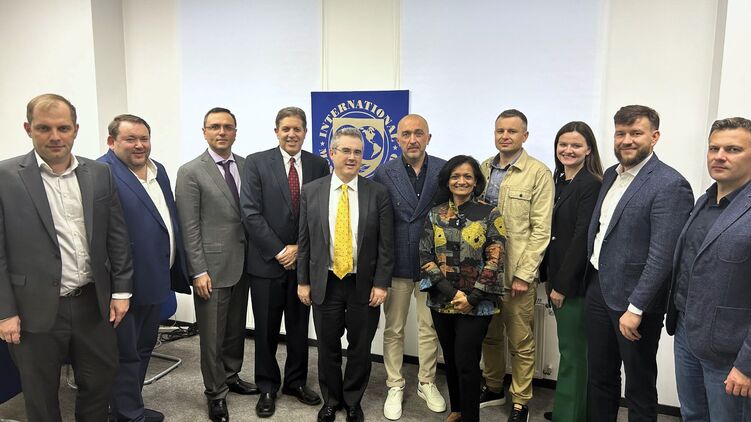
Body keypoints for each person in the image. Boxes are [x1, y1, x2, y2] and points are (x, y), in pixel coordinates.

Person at [0, 94, 133, 421]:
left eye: (63, 128)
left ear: (75, 129)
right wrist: (5, 312)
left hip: (93, 303)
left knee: (99, 384)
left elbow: (116, 235)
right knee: (41, 395)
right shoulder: (5, 176)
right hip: (33, 309)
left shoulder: (99, 173)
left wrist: (121, 291)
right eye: (44, 128)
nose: (55, 136)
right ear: (28, 129)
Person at [586, 105, 693, 421]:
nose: (626, 140)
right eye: (620, 133)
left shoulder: (670, 184)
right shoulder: (611, 174)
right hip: (598, 288)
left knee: (639, 385)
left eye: (636, 133)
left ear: (654, 137)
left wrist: (636, 309)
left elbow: (663, 256)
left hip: (636, 303)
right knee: (600, 377)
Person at [297, 127, 394, 422]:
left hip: (362, 284)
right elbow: (304, 240)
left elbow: (386, 244)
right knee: (327, 345)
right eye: (346, 151)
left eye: (357, 152)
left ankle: (353, 401)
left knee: (360, 347)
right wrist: (303, 281)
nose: (352, 157)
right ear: (332, 153)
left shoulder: (378, 193)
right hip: (325, 281)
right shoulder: (311, 191)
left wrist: (381, 283)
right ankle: (331, 400)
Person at [99, 114, 191, 422]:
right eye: (130, 139)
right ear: (111, 141)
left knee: (142, 348)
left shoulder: (158, 169)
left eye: (144, 138)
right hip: (125, 285)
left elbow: (165, 216)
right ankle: (126, 415)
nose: (139, 145)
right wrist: (117, 289)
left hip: (157, 277)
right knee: (125, 353)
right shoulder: (102, 172)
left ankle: (128, 408)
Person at [241, 107, 329, 417]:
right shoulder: (256, 162)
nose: (292, 134)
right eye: (286, 129)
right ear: (276, 131)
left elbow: (322, 213)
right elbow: (250, 212)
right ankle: (267, 386)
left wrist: (299, 250)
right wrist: (280, 250)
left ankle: (295, 382)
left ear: (305, 132)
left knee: (298, 328)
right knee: (265, 329)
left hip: (303, 264)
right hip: (266, 263)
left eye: (297, 129)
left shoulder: (319, 165)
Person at [175, 107, 258, 422]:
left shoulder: (247, 166)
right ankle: (215, 393)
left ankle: (231, 375)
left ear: (235, 132)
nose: (221, 132)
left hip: (244, 263)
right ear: (204, 132)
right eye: (214, 127)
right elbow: (189, 226)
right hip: (210, 268)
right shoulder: (190, 171)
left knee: (235, 328)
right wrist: (198, 270)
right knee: (211, 336)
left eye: (227, 127)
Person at [666, 117, 751, 420]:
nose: (719, 156)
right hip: (687, 333)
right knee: (692, 415)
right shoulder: (705, 200)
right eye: (714, 148)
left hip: (731, 352)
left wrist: (747, 365)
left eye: (733, 149)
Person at [479, 109, 554, 421]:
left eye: (512, 131)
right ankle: (493, 386)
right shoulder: (483, 168)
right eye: (500, 131)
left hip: (516, 274)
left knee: (521, 341)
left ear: (525, 135)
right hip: (486, 273)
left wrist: (525, 273)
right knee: (489, 335)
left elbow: (541, 230)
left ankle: (521, 400)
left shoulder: (538, 173)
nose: (505, 136)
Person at [420, 155, 506, 422]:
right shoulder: (435, 214)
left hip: (478, 303)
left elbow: (495, 258)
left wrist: (473, 297)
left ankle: (470, 417)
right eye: (455, 176)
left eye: (468, 176)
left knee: (467, 362)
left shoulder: (490, 213)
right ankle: (457, 409)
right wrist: (453, 293)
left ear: (476, 181)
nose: (461, 181)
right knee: (450, 359)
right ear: (447, 181)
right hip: (442, 299)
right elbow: (426, 257)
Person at [373, 114, 446, 420]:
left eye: (418, 133)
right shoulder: (383, 172)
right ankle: (395, 383)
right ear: (397, 139)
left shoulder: (444, 169)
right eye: (406, 134)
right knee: (394, 328)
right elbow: (376, 220)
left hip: (433, 264)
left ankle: (426, 382)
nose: (412, 139)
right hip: (397, 262)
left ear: (429, 137)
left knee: (429, 327)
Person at [539, 122, 603, 421]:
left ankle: (569, 416)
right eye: (563, 144)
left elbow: (581, 238)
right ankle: (573, 411)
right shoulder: (560, 181)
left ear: (588, 149)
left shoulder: (590, 184)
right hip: (556, 275)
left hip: (573, 283)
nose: (568, 150)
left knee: (573, 354)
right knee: (571, 350)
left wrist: (562, 285)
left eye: (576, 145)